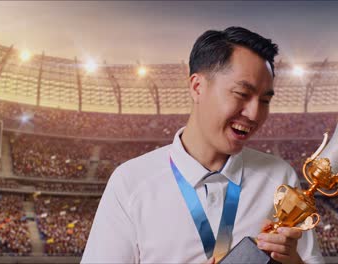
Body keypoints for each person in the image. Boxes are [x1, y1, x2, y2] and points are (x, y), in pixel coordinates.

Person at [82, 26, 323, 264]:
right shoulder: (131, 182)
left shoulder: (279, 178)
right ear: (197, 87)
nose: (254, 113)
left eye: (265, 100)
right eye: (241, 94)